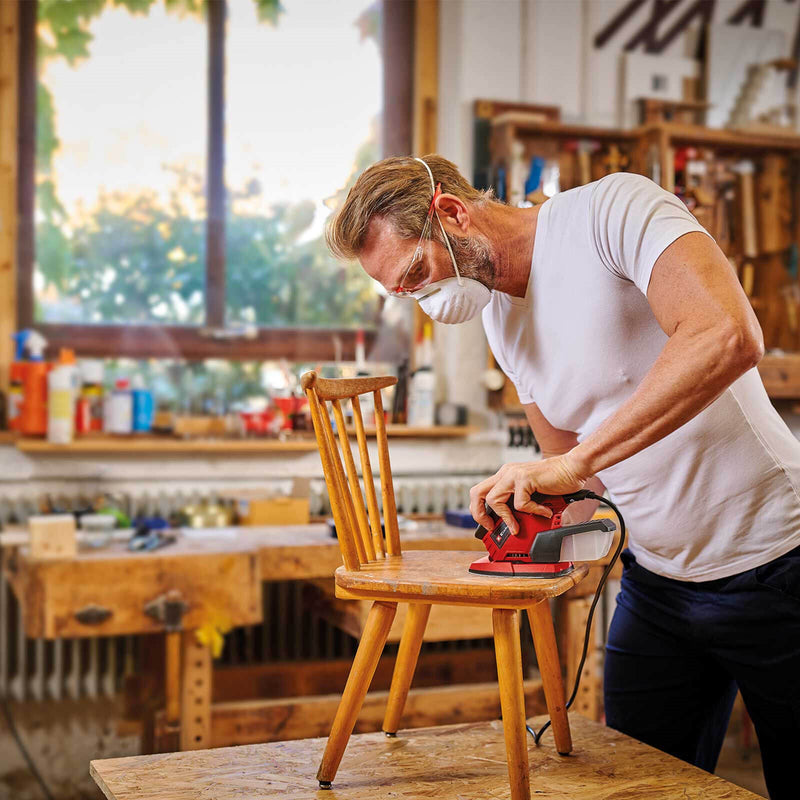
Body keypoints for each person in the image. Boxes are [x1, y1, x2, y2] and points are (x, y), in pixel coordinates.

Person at [324, 154, 800, 799]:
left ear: (452, 213)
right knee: (634, 785)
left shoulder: (612, 212)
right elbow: (580, 484)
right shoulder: (501, 320)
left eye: (418, 274)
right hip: (659, 583)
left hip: (777, 563)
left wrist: (573, 464)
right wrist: (526, 518)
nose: (422, 300)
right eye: (403, 294)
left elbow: (727, 334)